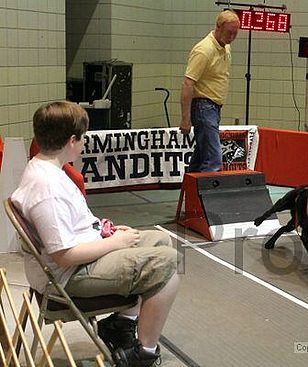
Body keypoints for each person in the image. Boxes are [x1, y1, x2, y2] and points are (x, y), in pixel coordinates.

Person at [11, 101, 179, 367]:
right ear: (71, 140)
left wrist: (105, 231)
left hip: (76, 261)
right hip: (68, 277)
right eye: (83, 138)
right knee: (168, 261)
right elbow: (65, 255)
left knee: (162, 240)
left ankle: (121, 324)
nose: (85, 143)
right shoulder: (47, 189)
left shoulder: (45, 168)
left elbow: (73, 227)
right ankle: (143, 354)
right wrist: (115, 243)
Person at [180, 10, 240, 172]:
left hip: (213, 108)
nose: (232, 37)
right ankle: (205, 197)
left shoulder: (225, 47)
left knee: (200, 157)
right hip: (203, 107)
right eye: (229, 33)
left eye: (236, 33)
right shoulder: (204, 50)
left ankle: (189, 193)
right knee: (214, 159)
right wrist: (185, 119)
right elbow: (187, 83)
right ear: (218, 27)